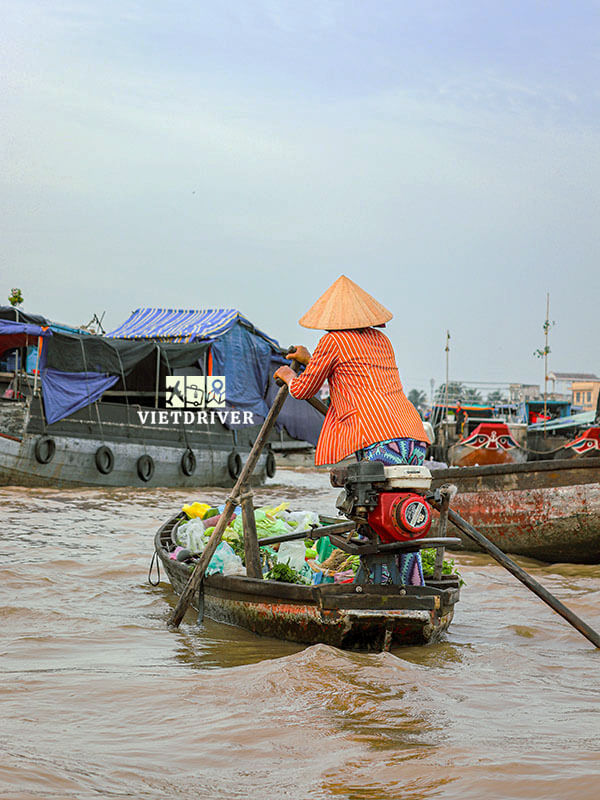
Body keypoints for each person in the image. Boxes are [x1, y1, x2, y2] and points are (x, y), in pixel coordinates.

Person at [273, 275, 430, 585]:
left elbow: (304, 389)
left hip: (381, 440)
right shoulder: (381, 341)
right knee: (403, 518)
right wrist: (309, 358)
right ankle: (411, 587)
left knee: (376, 518)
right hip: (413, 436)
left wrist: (289, 373)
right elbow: (352, 367)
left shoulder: (332, 341)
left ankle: (378, 587)